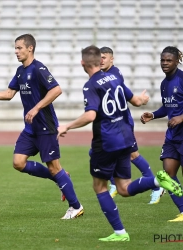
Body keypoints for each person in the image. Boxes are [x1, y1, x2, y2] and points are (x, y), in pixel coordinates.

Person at [57, 45, 182, 241]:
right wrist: (142, 99)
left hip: (107, 141)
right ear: (100, 61)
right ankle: (158, 181)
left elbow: (90, 115)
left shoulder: (90, 85)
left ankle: (120, 233)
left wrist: (67, 126)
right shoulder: (115, 78)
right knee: (124, 188)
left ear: (82, 63)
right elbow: (136, 101)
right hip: (125, 136)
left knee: (99, 187)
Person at [0, 34, 84, 219]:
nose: (16, 51)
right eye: (15, 48)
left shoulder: (39, 68)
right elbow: (9, 94)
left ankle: (76, 207)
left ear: (30, 48)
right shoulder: (20, 71)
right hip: (30, 129)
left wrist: (36, 107)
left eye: (19, 48)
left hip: (45, 126)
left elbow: (56, 89)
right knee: (18, 163)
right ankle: (61, 176)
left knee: (53, 167)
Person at [100, 46, 164, 204]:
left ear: (111, 59)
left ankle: (156, 187)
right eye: (98, 57)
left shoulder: (113, 75)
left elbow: (127, 97)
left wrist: (139, 100)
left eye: (104, 57)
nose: (100, 60)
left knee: (133, 155)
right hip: (112, 124)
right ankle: (115, 183)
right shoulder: (105, 75)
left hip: (121, 124)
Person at [141, 46, 183, 222]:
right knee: (167, 174)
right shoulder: (164, 84)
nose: (165, 63)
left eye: (168, 60)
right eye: (162, 60)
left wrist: (181, 117)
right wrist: (153, 115)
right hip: (173, 136)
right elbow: (167, 107)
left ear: (176, 61)